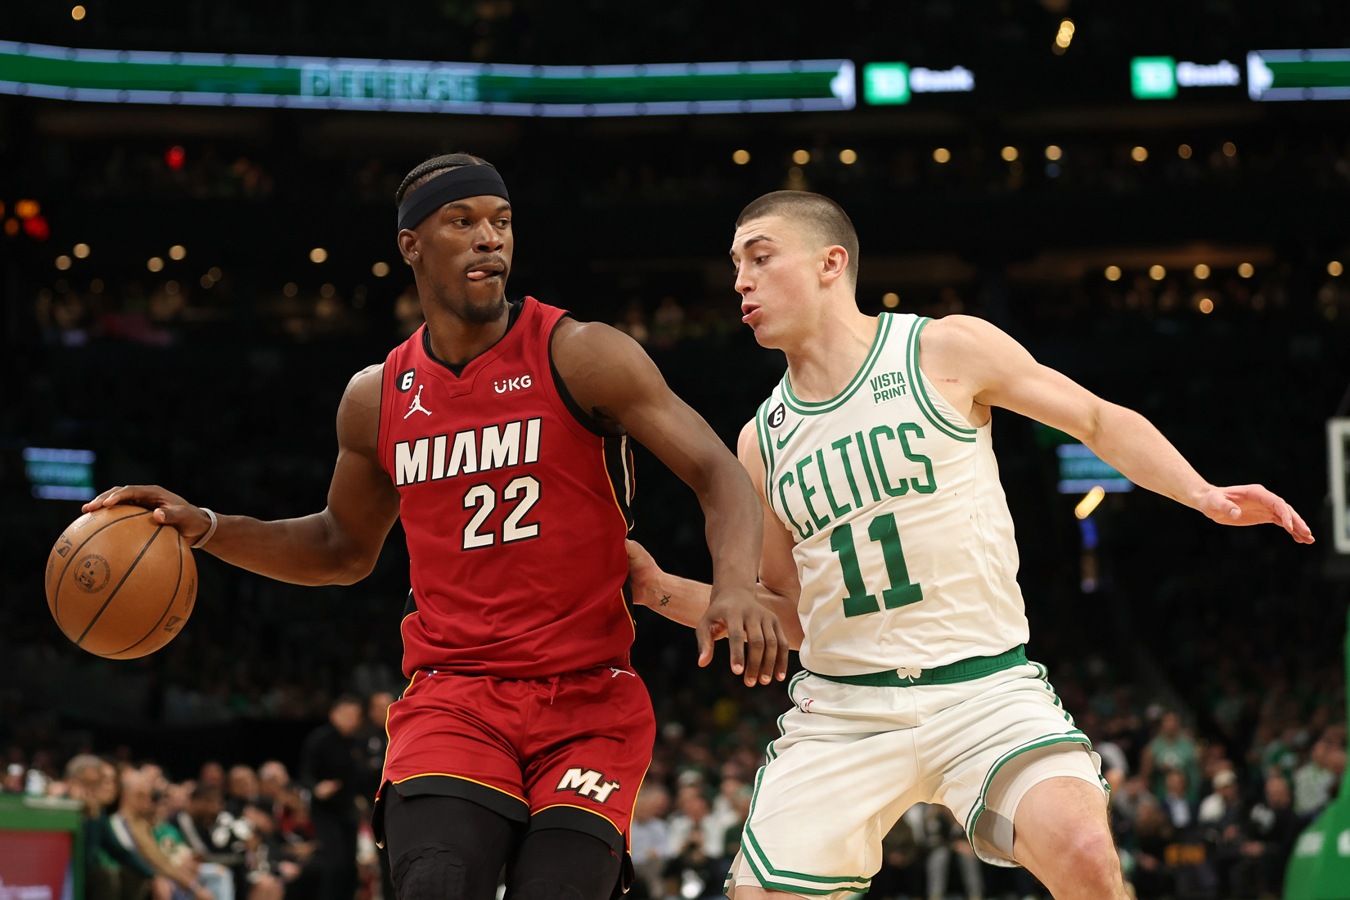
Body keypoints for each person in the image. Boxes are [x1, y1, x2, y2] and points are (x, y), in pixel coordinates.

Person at [83, 152, 788, 900]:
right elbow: (340, 548)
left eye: (501, 221)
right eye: (462, 221)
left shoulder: (581, 355)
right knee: (437, 883)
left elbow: (719, 474)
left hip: (588, 701)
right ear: (411, 245)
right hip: (455, 699)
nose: (490, 237)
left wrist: (734, 585)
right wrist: (208, 527)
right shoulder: (376, 397)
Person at [624, 189, 1314, 899]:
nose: (741, 280)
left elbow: (1095, 420)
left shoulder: (942, 350)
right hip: (844, 712)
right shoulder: (761, 441)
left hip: (982, 689)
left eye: (760, 258)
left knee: (1085, 851)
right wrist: (659, 590)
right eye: (736, 264)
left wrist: (1201, 492)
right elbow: (791, 616)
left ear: (831, 263)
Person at [299, 696, 365, 900]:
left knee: (350, 864)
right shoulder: (319, 739)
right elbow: (305, 774)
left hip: (348, 809)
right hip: (325, 811)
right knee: (334, 862)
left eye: (355, 716)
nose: (352, 720)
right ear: (334, 714)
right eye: (347, 715)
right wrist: (317, 788)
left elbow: (360, 775)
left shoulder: (357, 742)